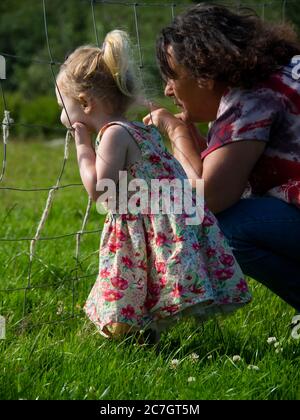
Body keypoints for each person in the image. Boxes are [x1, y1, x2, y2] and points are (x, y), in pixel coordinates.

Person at [55, 29, 251, 341]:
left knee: (129, 280)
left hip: (142, 226)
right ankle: (142, 336)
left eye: (64, 107)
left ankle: (134, 338)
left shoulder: (114, 134)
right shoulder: (139, 130)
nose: (63, 116)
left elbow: (99, 189)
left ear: (84, 102)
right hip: (155, 223)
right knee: (141, 282)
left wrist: (82, 144)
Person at [143, 3, 300, 312]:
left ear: (204, 74)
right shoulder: (279, 72)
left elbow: (208, 198)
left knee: (225, 228)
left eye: (172, 76)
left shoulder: (251, 95)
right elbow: (225, 174)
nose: (168, 89)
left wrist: (175, 131)